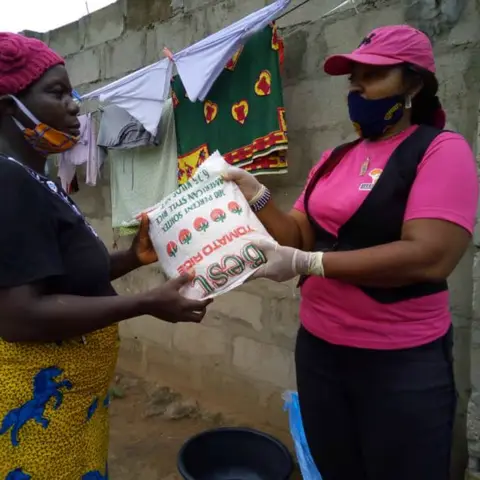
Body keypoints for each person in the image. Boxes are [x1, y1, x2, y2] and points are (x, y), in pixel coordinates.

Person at [224, 25, 478, 480]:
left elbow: (429, 257)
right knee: (338, 468)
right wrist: (256, 193)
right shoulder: (335, 158)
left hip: (399, 363)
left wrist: (309, 265)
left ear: (414, 82)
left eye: (374, 75)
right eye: (353, 78)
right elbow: (296, 236)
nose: (358, 87)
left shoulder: (439, 151)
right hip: (321, 352)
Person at [0, 33, 211, 478]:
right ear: (7, 106)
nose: (75, 105)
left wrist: (133, 256)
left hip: (73, 403)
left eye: (72, 92)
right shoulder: (8, 182)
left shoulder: (37, 180)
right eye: (57, 93)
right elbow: (18, 316)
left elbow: (62, 277)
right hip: (38, 407)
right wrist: (146, 303)